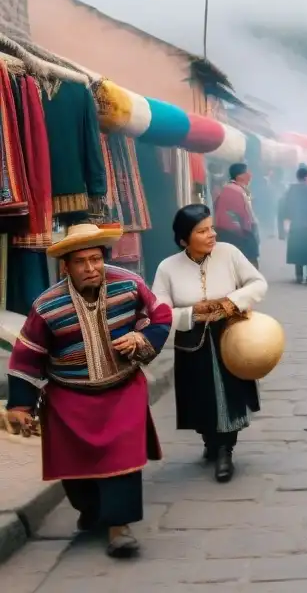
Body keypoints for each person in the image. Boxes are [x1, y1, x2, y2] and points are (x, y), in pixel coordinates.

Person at [5, 223, 172, 557]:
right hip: (69, 395)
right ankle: (91, 510)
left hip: (122, 388)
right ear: (65, 266)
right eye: (81, 262)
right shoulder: (47, 306)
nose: (91, 268)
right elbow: (28, 354)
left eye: (95, 259)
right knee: (76, 468)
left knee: (123, 459)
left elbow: (159, 316)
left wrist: (142, 338)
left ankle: (119, 527)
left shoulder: (129, 285)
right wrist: (20, 406)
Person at [152, 204, 267, 483]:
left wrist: (232, 302)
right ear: (184, 239)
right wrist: (192, 313)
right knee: (200, 396)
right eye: (202, 231)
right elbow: (159, 309)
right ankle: (210, 441)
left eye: (211, 228)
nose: (211, 234)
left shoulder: (229, 254)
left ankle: (226, 449)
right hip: (193, 340)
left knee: (230, 394)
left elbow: (258, 283)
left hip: (230, 336)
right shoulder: (167, 268)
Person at [278, 164, 307, 284]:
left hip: (296, 226)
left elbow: (283, 208)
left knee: (298, 251)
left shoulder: (290, 190)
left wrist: (284, 226)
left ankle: (299, 276)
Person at [213, 162, 260, 267]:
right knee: (250, 261)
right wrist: (251, 231)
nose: (250, 176)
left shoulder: (227, 188)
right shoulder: (235, 190)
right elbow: (245, 215)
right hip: (237, 233)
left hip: (224, 231)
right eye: (247, 173)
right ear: (240, 176)